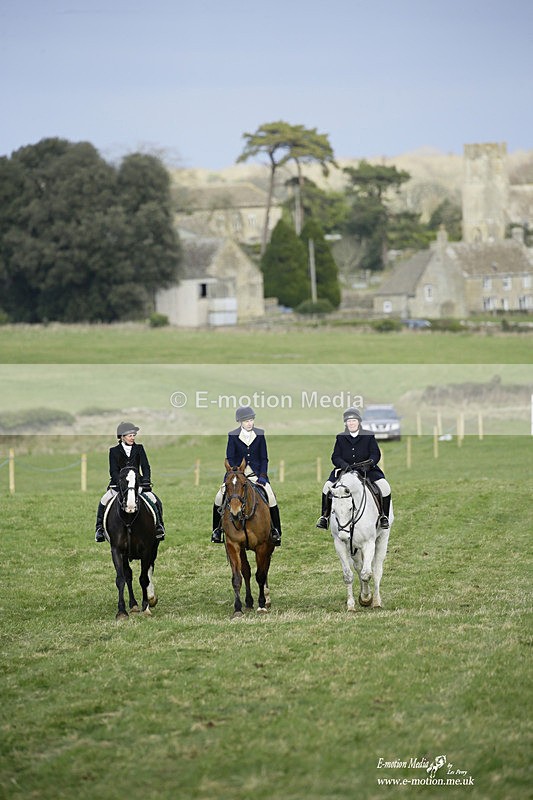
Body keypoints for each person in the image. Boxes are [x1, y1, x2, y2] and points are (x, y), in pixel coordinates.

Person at [211, 406, 282, 546]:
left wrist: (262, 476)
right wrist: (236, 473)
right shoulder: (232, 435)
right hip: (237, 476)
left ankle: (275, 531)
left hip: (256, 475)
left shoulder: (260, 434)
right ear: (240, 422)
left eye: (251, 420)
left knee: (271, 496)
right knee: (219, 497)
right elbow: (230, 458)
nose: (249, 423)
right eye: (246, 421)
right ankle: (217, 530)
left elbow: (264, 458)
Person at [316, 407, 392, 530]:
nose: (351, 423)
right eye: (349, 421)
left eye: (354, 421)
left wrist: (370, 463)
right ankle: (324, 517)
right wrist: (343, 464)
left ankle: (384, 516)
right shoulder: (340, 437)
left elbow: (375, 454)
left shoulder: (368, 435)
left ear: (359, 422)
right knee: (326, 487)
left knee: (385, 487)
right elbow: (335, 457)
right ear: (345, 423)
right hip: (345, 471)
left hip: (367, 470)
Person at [94, 421, 165, 542]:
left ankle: (159, 526)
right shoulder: (114, 451)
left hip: (137, 484)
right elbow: (113, 471)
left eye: (133, 435)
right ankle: (99, 529)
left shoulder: (139, 448)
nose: (132, 438)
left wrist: (146, 480)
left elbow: (145, 466)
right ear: (122, 437)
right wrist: (121, 483)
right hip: (119, 485)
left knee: (154, 500)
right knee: (103, 501)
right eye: (129, 435)